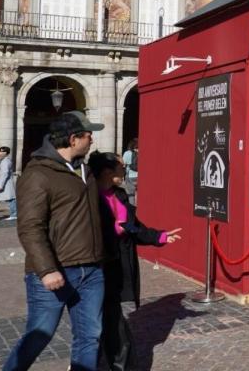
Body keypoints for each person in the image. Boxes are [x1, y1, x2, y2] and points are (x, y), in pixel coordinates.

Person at [4, 111, 106, 371]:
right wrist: (47, 270)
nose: (92, 139)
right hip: (56, 270)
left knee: (89, 336)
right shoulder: (38, 174)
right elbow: (29, 226)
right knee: (40, 335)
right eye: (88, 134)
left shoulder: (86, 169)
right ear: (73, 139)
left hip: (91, 269)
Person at [90, 151, 181, 370]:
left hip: (117, 265)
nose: (125, 169)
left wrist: (160, 237)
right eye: (120, 166)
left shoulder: (120, 195)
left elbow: (135, 227)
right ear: (106, 172)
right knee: (107, 324)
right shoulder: (88, 196)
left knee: (107, 320)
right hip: (96, 267)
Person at [0, 147, 15, 220]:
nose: (0, 153)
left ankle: (14, 214)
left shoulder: (5, 161)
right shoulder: (2, 160)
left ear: (6, 153)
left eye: (2, 152)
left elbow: (4, 173)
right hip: (2, 183)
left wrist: (0, 185)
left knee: (10, 199)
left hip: (5, 184)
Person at [121, 138, 139, 205]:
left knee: (131, 195)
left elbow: (123, 165)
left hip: (130, 176)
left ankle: (133, 210)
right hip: (140, 176)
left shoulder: (127, 153)